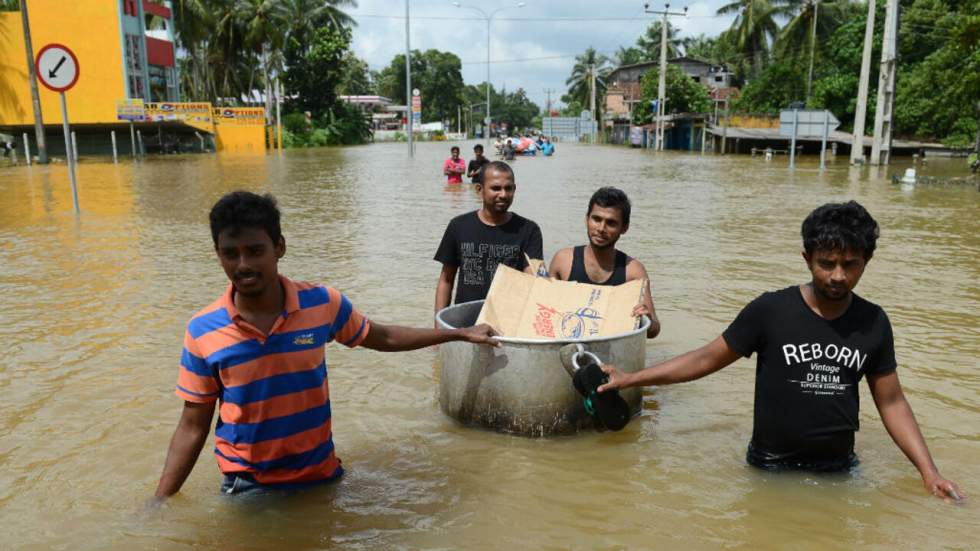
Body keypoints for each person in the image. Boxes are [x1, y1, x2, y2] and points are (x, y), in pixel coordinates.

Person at [598, 201, 963, 501]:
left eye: (851, 265)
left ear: (866, 261)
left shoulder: (874, 322)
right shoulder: (770, 311)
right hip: (769, 468)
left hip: (838, 471)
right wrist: (632, 378)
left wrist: (929, 474)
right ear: (807, 259)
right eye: (827, 263)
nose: (838, 276)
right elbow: (707, 358)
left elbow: (892, 402)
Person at [151, 192, 498, 502]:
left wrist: (459, 334)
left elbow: (383, 337)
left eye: (255, 251)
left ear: (280, 247)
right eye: (231, 254)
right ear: (218, 255)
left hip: (321, 477)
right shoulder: (203, 330)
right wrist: (160, 502)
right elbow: (192, 426)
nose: (243, 266)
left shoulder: (321, 303)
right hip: (249, 487)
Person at [548, 187, 660, 339]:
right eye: (596, 219)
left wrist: (645, 318)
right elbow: (545, 312)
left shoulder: (633, 272)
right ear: (586, 219)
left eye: (611, 223)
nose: (601, 228)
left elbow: (653, 330)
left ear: (624, 228)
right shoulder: (563, 261)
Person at [434, 161, 543, 313]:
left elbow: (532, 278)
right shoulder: (458, 226)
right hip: (466, 324)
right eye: (496, 188)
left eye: (508, 188)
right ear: (479, 190)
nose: (503, 195)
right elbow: (446, 280)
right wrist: (440, 327)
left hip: (508, 321)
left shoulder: (529, 230)